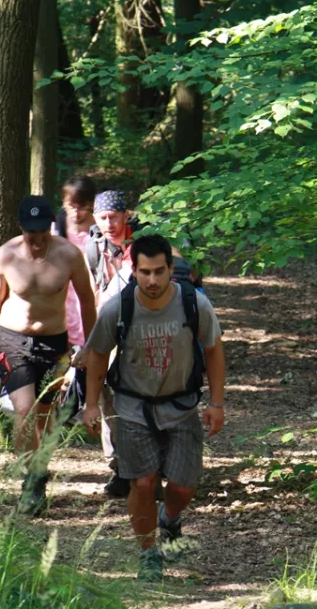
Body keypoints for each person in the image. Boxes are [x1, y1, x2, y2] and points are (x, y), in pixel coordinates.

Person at [82, 234, 225, 581]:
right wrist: (90, 404)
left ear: (171, 269)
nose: (152, 280)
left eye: (159, 272)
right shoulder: (119, 307)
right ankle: (148, 554)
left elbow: (213, 351)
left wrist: (217, 403)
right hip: (132, 407)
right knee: (143, 484)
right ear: (134, 271)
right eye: (145, 272)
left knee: (183, 486)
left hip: (181, 406)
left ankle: (170, 520)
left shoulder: (195, 304)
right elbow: (98, 355)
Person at [0, 195, 97, 516]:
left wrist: (88, 346)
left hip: (54, 343)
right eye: (31, 234)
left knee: (46, 414)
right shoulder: (5, 255)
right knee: (24, 410)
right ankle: (28, 479)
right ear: (21, 228)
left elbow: (87, 302)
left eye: (42, 233)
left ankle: (39, 475)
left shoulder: (69, 255)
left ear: (50, 226)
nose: (37, 240)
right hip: (12, 341)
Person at [84, 189, 137, 496]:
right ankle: (118, 469)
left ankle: (146, 467)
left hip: (139, 331)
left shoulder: (141, 246)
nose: (109, 223)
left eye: (114, 217)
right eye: (102, 218)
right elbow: (91, 295)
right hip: (106, 332)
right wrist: (87, 343)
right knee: (106, 400)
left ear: (126, 215)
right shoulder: (93, 248)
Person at [50, 176, 97, 424]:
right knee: (62, 351)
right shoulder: (56, 226)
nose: (76, 212)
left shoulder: (100, 227)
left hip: (92, 295)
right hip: (63, 298)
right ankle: (59, 408)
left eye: (82, 206)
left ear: (91, 204)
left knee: (90, 348)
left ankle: (86, 406)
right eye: (71, 205)